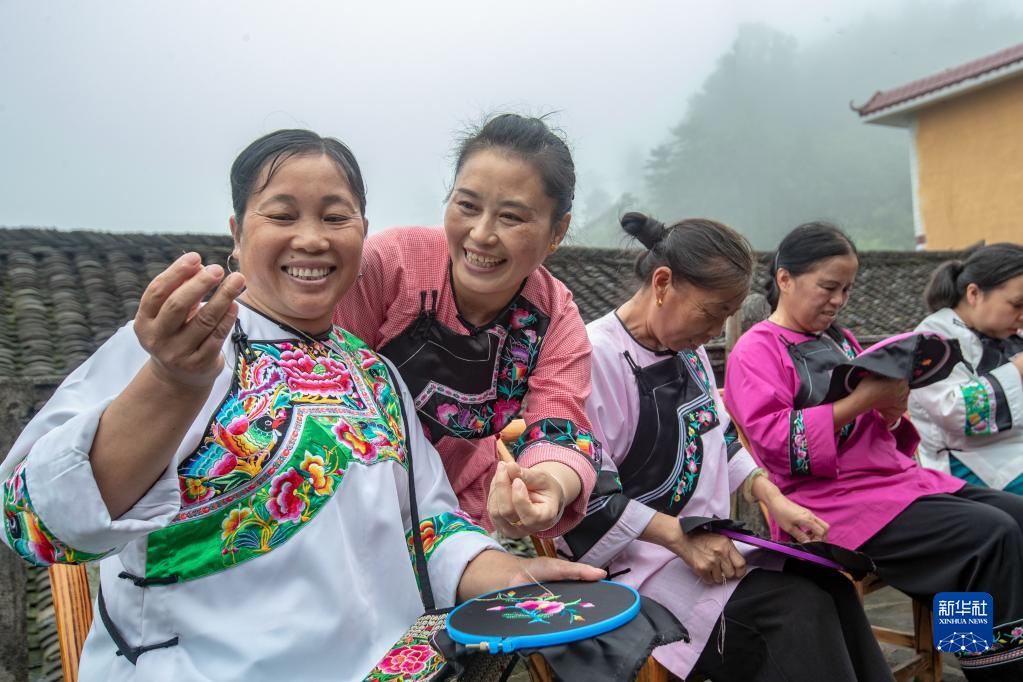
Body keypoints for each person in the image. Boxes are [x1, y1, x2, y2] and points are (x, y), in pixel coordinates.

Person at [0, 130, 602, 682]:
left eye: (335, 217)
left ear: (363, 232)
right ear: (237, 232)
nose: (312, 239)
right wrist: (170, 383)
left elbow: (429, 528)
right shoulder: (181, 347)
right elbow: (36, 522)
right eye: (282, 215)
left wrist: (511, 576)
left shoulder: (377, 377)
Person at [562, 212, 891, 681]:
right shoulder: (594, 357)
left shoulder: (687, 347)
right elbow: (586, 495)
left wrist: (772, 497)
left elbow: (718, 435)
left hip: (707, 543)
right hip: (637, 565)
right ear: (662, 283)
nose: (717, 331)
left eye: (726, 316)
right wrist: (679, 537)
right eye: (713, 312)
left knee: (829, 586)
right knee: (796, 611)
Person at [725, 222, 1023, 680]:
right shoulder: (756, 350)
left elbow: (876, 432)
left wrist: (889, 413)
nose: (838, 300)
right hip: (826, 503)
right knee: (990, 535)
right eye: (828, 287)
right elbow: (775, 442)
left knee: (1015, 515)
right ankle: (989, 666)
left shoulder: (839, 340)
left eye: (846, 289)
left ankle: (981, 651)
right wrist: (865, 401)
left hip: (890, 484)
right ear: (785, 279)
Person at [335, 114, 598, 539]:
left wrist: (547, 485)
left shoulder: (554, 318)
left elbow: (560, 423)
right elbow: (319, 383)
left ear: (557, 231)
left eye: (511, 217)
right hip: (342, 504)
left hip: (454, 515)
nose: (481, 234)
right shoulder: (387, 266)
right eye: (468, 206)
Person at [910, 243, 1023, 494]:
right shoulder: (933, 339)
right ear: (974, 294)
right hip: (972, 462)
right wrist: (1017, 371)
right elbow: (953, 411)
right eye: (1017, 304)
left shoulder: (1011, 335)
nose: (1022, 316)